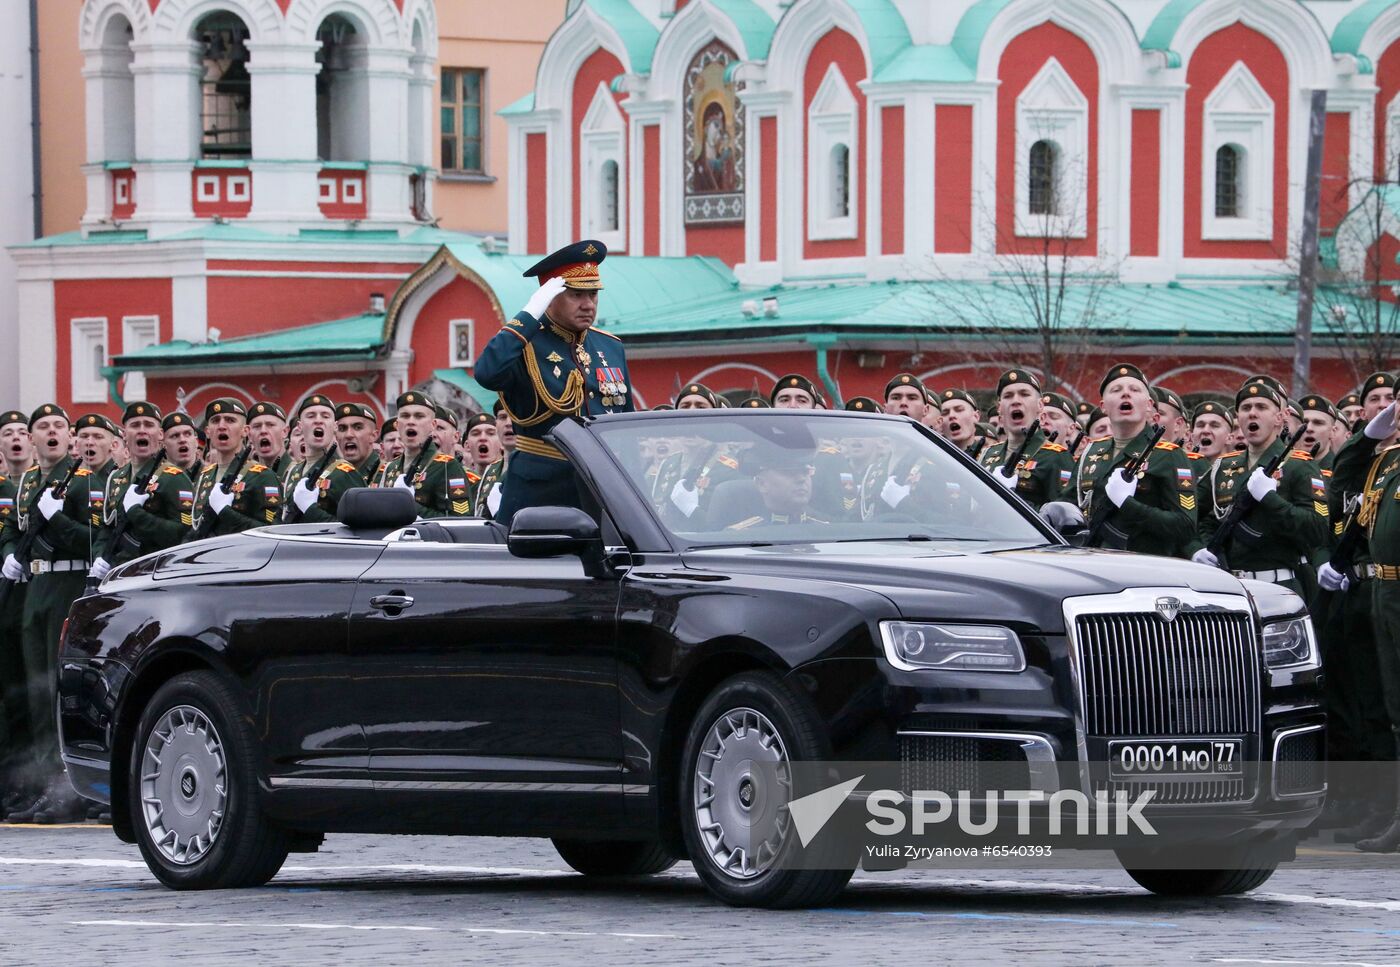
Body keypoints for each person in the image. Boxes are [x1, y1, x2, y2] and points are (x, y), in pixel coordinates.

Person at [474, 240, 634, 524]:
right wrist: (529, 315)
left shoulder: (609, 346)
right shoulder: (525, 344)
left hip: (603, 487)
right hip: (540, 487)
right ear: (549, 298)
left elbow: (626, 421)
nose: (588, 304)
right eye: (576, 295)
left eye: (593, 294)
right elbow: (487, 373)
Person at [1, 405, 100, 822]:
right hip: (36, 587)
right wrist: (9, 553)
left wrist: (56, 519)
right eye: (43, 427)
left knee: (59, 686)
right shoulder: (25, 484)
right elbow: (12, 529)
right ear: (34, 438)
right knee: (37, 691)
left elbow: (94, 540)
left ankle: (70, 785)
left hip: (66, 584)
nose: (52, 432)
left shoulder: (83, 481)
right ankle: (44, 783)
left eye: (59, 426)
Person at [1325, 399, 1400, 851]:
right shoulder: (1389, 460)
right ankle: (1391, 811)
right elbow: (1344, 488)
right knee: (1390, 708)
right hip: (1383, 593)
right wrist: (1365, 438)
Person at [1187, 379, 1327, 594]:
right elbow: (1194, 516)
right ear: (1238, 419)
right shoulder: (1223, 467)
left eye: (1261, 407)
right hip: (1228, 585)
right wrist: (1198, 548)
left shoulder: (1299, 465)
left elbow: (1318, 529)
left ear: (1280, 417)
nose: (1252, 413)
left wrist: (1270, 498)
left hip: (1278, 585)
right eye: (1246, 408)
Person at [1073, 364, 1195, 555]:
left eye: (1135, 389)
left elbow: (1185, 527)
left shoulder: (1169, 455)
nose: (1125, 394)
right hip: (1094, 563)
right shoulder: (1091, 453)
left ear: (1148, 405)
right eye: (1116, 390)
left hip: (1145, 569)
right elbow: (1070, 504)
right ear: (1103, 406)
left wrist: (1127, 504)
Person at [90, 402, 195, 578]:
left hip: (156, 574)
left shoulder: (173, 478)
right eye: (135, 425)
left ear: (160, 434)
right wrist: (100, 555)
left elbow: (185, 534)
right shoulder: (116, 479)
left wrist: (137, 514)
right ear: (124, 434)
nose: (142, 430)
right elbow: (106, 528)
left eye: (148, 424)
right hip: (121, 574)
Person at [978, 370, 1074, 510]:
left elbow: (1061, 517)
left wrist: (1014, 500)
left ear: (1040, 406)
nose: (1016, 401)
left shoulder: (1056, 457)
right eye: (1008, 396)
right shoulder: (988, 454)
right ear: (999, 408)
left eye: (1024, 394)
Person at [189, 398, 282, 536]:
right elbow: (195, 526)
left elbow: (271, 532)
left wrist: (225, 511)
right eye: (215, 421)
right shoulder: (205, 476)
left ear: (245, 431)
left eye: (230, 420)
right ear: (208, 432)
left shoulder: (261, 476)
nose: (221, 426)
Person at [652, 383, 741, 526]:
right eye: (685, 407)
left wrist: (692, 510)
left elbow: (730, 526)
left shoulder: (731, 467)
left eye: (700, 407)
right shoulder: (669, 463)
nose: (691, 413)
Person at [289, 403, 390, 522]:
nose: (348, 435)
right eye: (342, 429)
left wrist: (311, 509)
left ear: (374, 435)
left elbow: (362, 529)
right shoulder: (298, 471)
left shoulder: (386, 473)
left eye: (357, 427)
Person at [379, 392, 473, 518]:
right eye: (405, 416)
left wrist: (411, 505)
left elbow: (460, 520)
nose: (411, 422)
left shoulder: (447, 466)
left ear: (432, 425)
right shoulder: (390, 468)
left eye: (419, 416)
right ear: (397, 425)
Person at [726, 447, 826, 529]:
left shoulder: (827, 532)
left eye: (805, 472)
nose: (801, 479)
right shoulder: (738, 538)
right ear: (762, 484)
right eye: (789, 472)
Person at [282, 394, 337, 503]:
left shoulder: (344, 473)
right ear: (300, 426)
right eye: (311, 416)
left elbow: (355, 519)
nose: (318, 421)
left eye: (325, 416)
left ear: (335, 426)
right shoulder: (293, 472)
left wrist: (310, 509)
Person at [473, 403, 515, 519]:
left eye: (514, 416)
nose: (508, 423)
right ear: (496, 425)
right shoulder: (491, 469)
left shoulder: (530, 466)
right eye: (502, 417)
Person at [248, 401, 291, 481]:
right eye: (257, 426)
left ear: (285, 432)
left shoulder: (298, 474)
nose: (263, 431)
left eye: (270, 425)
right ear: (249, 436)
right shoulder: (246, 477)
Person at [1299, 394, 1340, 472]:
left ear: (1332, 432)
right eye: (1304, 422)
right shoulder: (1283, 466)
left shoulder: (1339, 471)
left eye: (1318, 423)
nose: (1309, 428)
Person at [939, 389, 985, 456]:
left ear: (976, 416)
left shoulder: (988, 457)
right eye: (945, 413)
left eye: (959, 410)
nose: (951, 415)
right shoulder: (935, 459)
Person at [162, 412, 201, 478]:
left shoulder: (211, 476)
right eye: (174, 436)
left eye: (187, 434)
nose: (182, 440)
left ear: (196, 441)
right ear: (163, 445)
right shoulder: (156, 479)